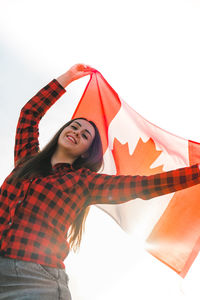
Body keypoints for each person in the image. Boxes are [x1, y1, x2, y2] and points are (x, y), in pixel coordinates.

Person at [0, 64, 200, 300]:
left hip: (37, 279)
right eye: (74, 126)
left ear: (87, 152)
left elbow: (143, 186)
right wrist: (69, 77)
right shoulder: (27, 160)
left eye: (85, 135)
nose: (76, 131)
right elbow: (29, 114)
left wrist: (196, 172)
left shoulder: (84, 182)